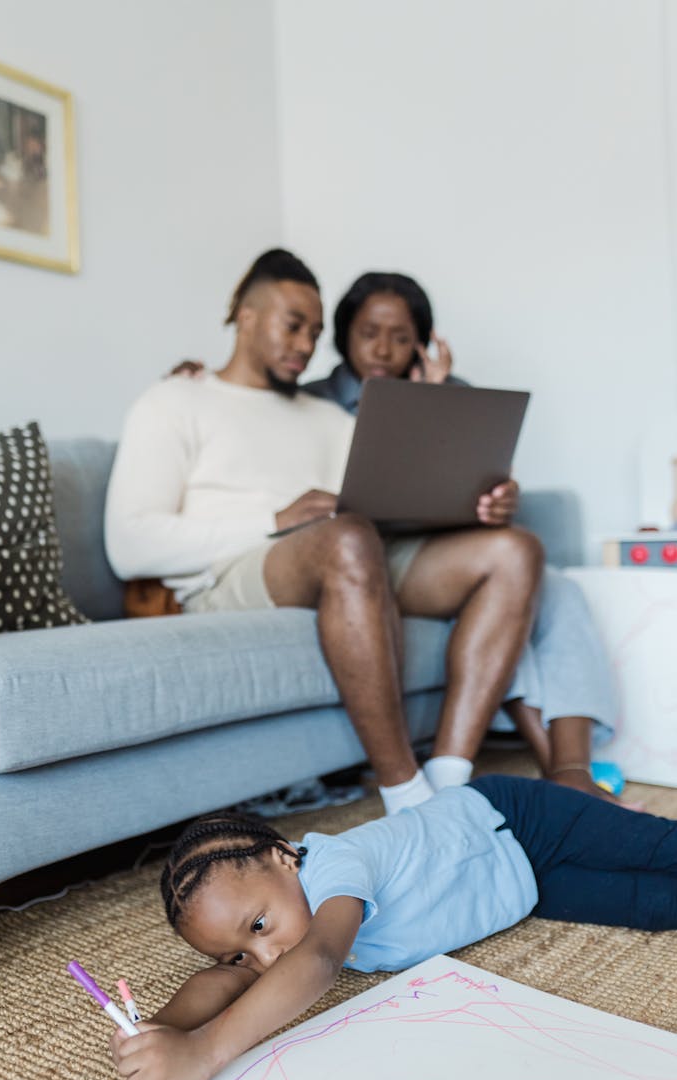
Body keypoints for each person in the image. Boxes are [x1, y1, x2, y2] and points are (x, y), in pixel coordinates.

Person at [105, 249, 544, 816]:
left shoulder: (330, 418)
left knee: (514, 552)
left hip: (346, 557)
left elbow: (402, 501)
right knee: (347, 537)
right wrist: (273, 521)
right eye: (293, 325)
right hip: (230, 573)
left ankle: (451, 777)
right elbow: (128, 544)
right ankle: (407, 797)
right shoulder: (174, 400)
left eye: (314, 332)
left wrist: (484, 495)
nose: (306, 344)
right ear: (245, 316)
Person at [110, 782, 677, 1080]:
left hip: (522, 820)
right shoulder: (279, 927)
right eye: (240, 951)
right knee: (655, 908)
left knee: (661, 848)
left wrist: (206, 1051)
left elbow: (321, 961)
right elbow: (228, 981)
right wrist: (163, 1028)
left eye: (258, 927)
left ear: (286, 858)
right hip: (520, 884)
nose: (264, 956)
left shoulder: (332, 866)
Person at [302, 272, 617, 801]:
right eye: (368, 333)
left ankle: (569, 771)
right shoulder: (311, 401)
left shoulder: (454, 392)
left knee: (557, 585)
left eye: (400, 336)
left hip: (443, 549)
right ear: (343, 334)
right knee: (522, 570)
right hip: (369, 558)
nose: (383, 349)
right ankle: (565, 785)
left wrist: (500, 501)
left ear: (422, 340)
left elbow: (479, 485)